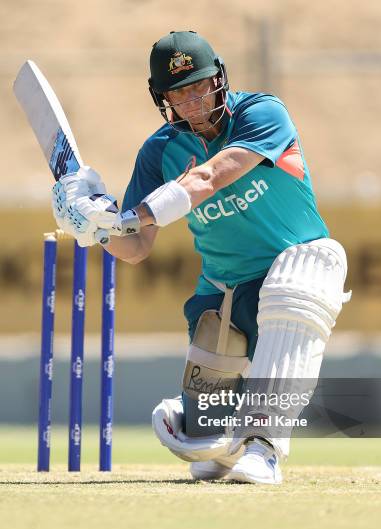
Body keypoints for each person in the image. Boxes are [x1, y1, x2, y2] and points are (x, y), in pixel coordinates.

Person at [51, 31, 350, 485]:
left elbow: (211, 176)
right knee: (198, 437)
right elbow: (134, 246)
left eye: (198, 86)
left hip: (301, 259)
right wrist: (95, 226)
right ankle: (213, 432)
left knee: (292, 289)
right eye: (178, 92)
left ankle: (262, 447)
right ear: (162, 98)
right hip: (224, 289)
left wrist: (132, 216)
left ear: (220, 79)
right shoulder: (159, 152)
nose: (191, 101)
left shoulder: (262, 113)